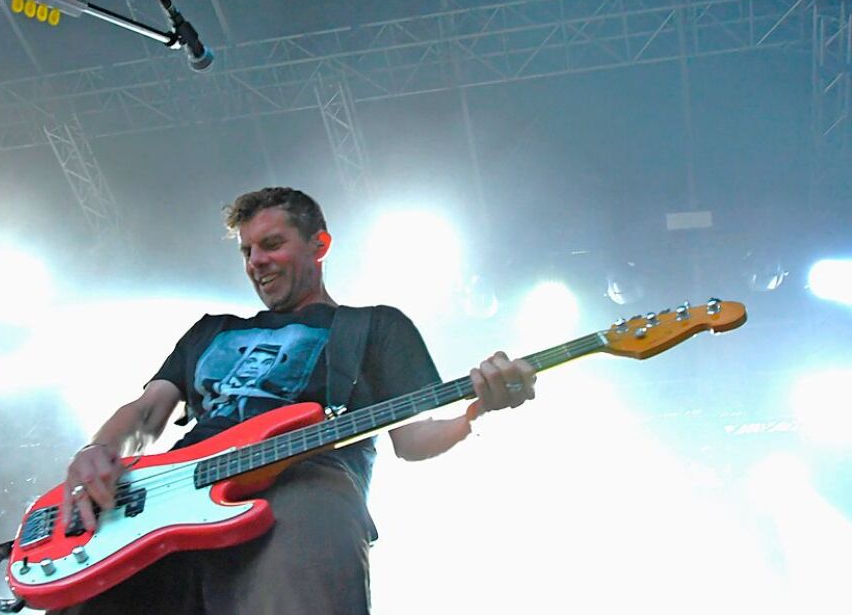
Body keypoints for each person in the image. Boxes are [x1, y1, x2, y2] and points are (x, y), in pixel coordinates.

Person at [51, 187, 536, 614]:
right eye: (246, 251)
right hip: (172, 501)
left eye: (272, 244)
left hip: (305, 489)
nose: (255, 261)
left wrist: (476, 412)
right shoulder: (211, 330)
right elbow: (145, 412)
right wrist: (96, 450)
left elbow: (412, 438)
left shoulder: (375, 326)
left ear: (319, 245)